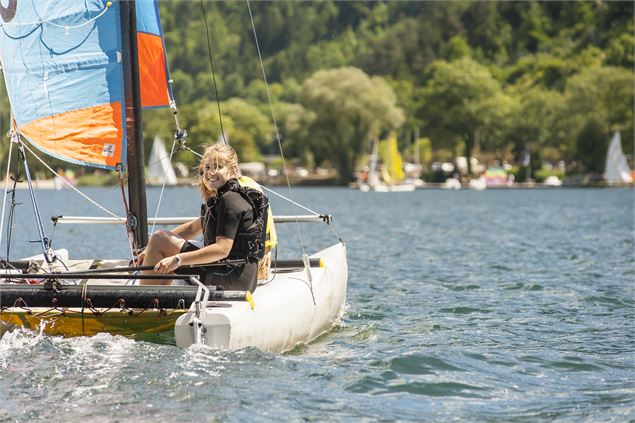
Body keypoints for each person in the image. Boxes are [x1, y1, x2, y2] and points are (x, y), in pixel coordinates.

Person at [138, 144, 268, 293]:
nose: (211, 172)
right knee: (159, 240)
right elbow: (193, 228)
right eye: (207, 167)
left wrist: (177, 259)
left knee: (160, 238)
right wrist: (150, 249)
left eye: (218, 167)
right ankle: (156, 304)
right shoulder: (226, 196)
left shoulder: (230, 200)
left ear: (233, 169)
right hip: (240, 277)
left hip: (230, 277)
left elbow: (222, 249)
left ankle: (141, 306)